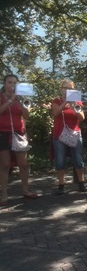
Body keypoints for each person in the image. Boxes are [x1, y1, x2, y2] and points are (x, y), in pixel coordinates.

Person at [0, 74, 38, 203]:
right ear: (4, 84)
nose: (12, 85)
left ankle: (25, 190)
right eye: (10, 82)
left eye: (15, 83)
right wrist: (11, 99)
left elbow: (26, 116)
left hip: (19, 133)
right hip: (3, 133)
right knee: (5, 165)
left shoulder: (20, 99)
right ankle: (4, 194)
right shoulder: (1, 97)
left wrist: (23, 104)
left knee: (23, 164)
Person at [51, 79, 87, 194]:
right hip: (59, 134)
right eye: (66, 88)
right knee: (60, 160)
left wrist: (74, 106)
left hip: (74, 134)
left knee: (78, 159)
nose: (68, 90)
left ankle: (81, 183)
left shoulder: (77, 102)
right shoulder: (56, 101)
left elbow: (82, 118)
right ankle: (61, 185)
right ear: (61, 89)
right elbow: (55, 113)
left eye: (71, 88)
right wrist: (65, 102)